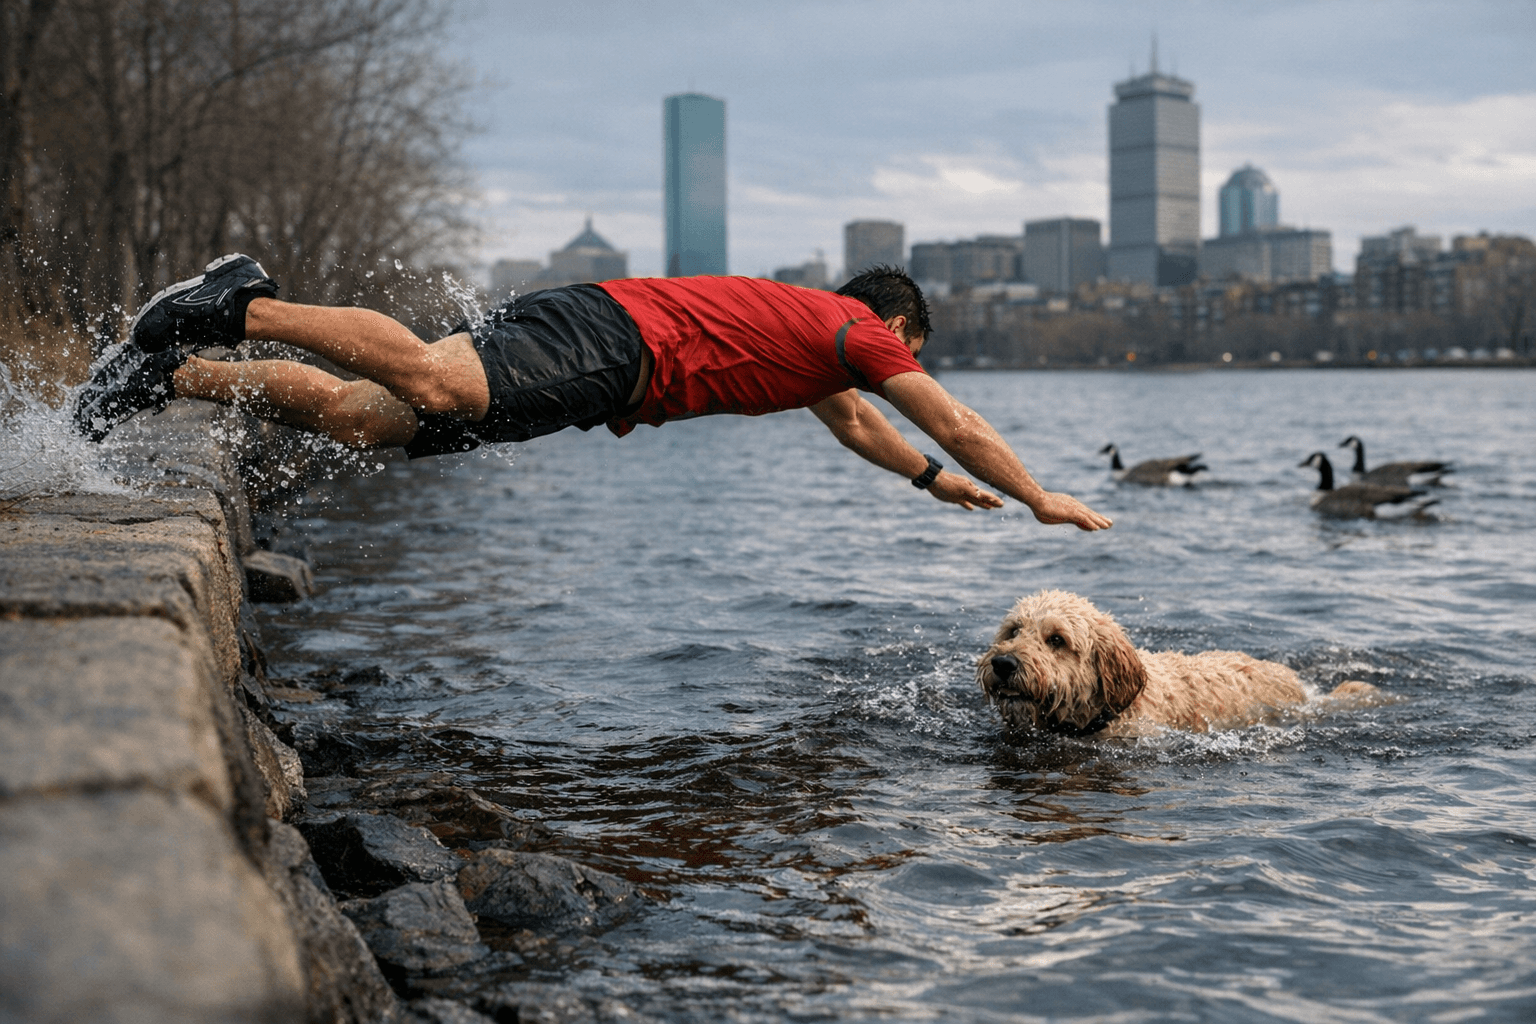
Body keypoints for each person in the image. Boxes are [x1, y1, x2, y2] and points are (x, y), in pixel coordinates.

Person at [75, 255, 1112, 532]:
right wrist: (1038, 495)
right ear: (898, 329)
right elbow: (954, 414)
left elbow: (864, 429)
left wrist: (935, 483)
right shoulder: (856, 332)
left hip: (599, 347)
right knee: (438, 377)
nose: (899, 367)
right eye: (908, 351)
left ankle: (170, 373)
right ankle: (239, 308)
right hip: (614, 345)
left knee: (366, 417)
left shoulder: (820, 352)